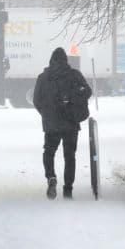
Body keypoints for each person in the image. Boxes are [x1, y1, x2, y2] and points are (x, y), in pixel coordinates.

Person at [33, 47, 91, 200]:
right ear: (66, 60)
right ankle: (68, 189)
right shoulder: (74, 75)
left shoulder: (43, 78)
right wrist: (74, 99)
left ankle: (51, 177)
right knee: (70, 156)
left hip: (51, 124)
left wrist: (46, 114)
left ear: (51, 60)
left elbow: (36, 100)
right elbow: (88, 92)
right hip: (70, 123)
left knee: (49, 152)